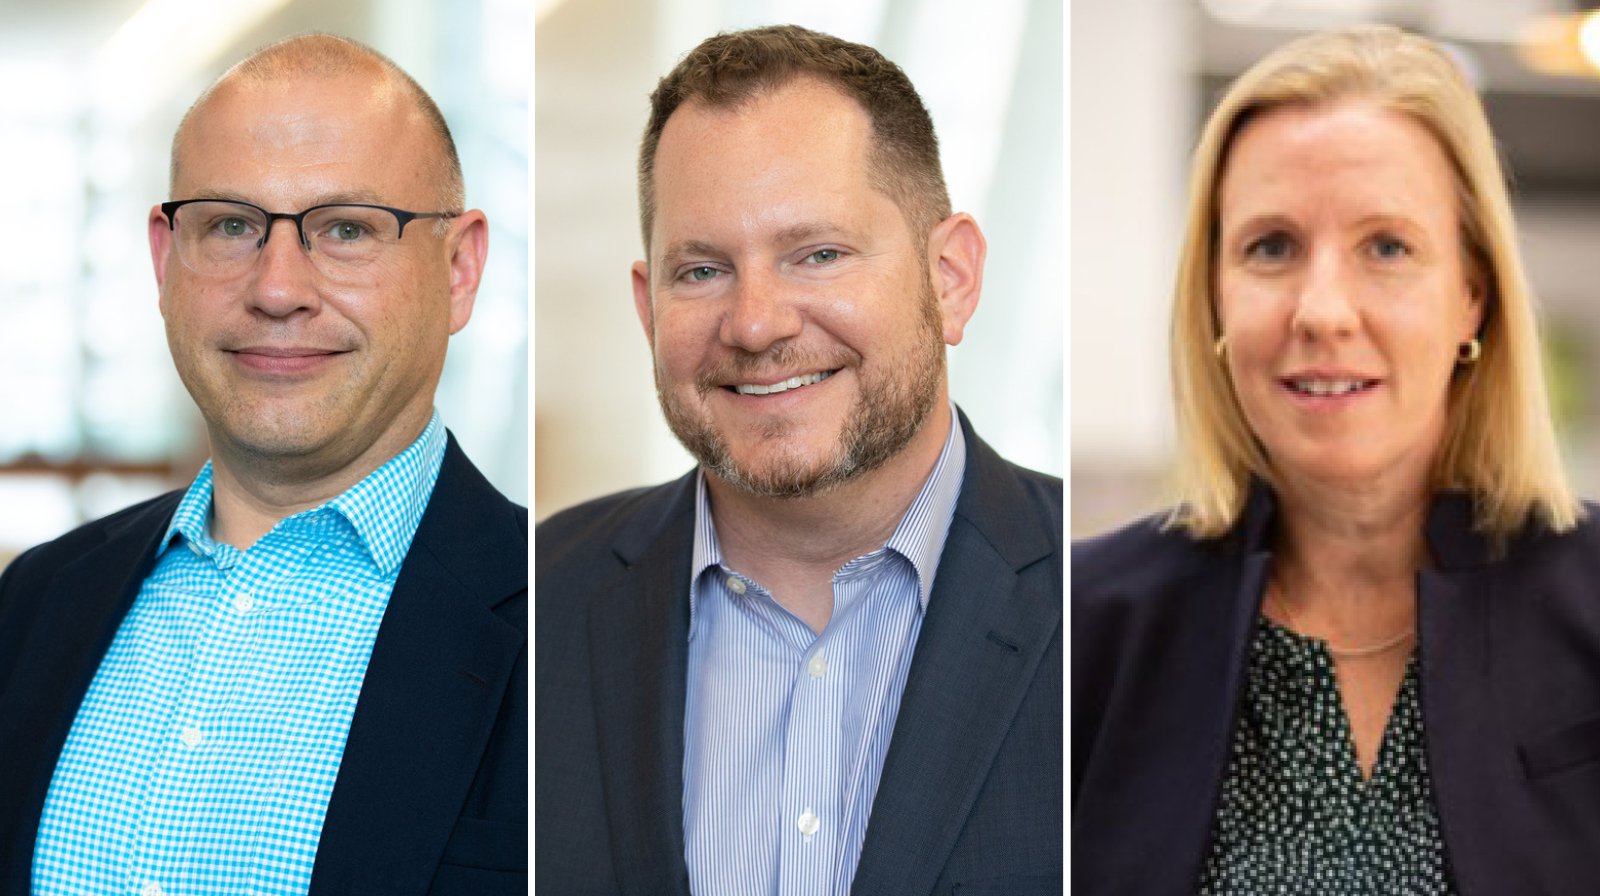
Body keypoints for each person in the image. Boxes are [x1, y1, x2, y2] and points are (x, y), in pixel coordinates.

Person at [536, 24, 1062, 896]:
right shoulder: (538, 605)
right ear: (647, 306)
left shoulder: (1101, 618)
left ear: (952, 277)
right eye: (701, 271)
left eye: (817, 254)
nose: (756, 323)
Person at [1073, 23, 1600, 894]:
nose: (1322, 311)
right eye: (1270, 247)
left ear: (1472, 294)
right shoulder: (1082, 626)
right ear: (1213, 294)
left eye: (1387, 247)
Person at [0, 34, 526, 895]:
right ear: (166, 260)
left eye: (348, 229)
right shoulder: (35, 602)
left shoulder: (561, 629)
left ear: (461, 269)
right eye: (233, 226)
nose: (278, 288)